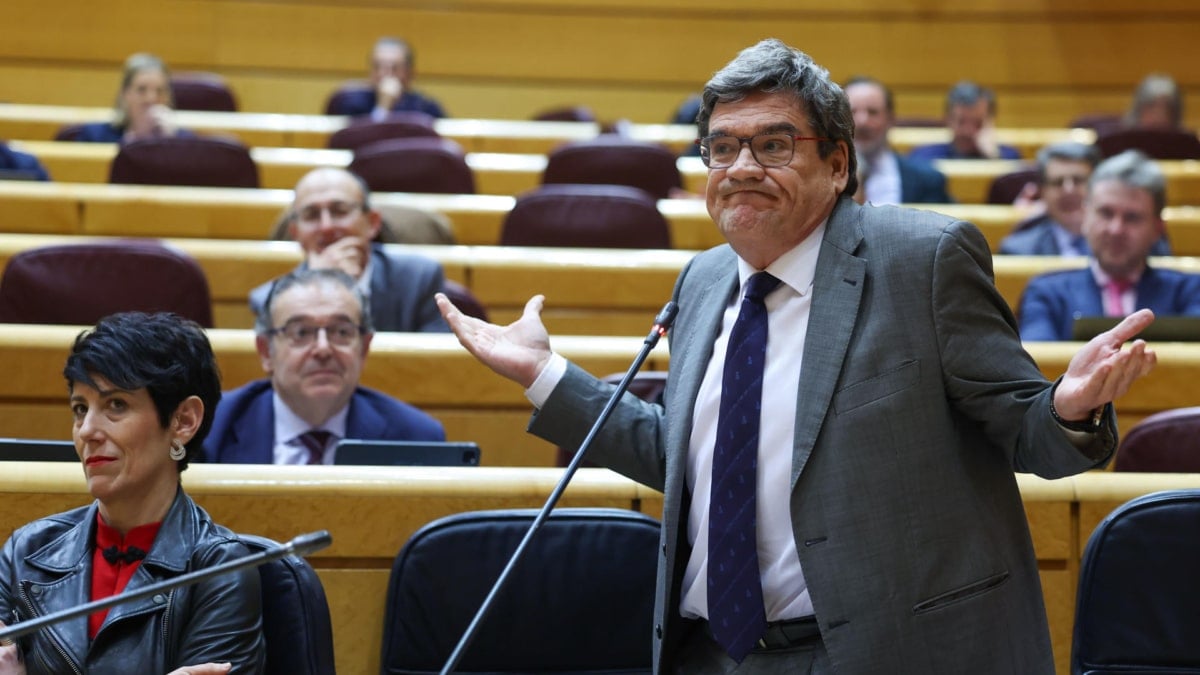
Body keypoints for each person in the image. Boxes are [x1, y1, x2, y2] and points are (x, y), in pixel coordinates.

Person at [435, 38, 1157, 674]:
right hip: (712, 652)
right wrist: (543, 374)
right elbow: (693, 458)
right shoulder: (705, 278)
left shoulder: (922, 260)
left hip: (883, 651)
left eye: (773, 145)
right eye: (723, 147)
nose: (741, 166)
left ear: (837, 164)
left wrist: (1068, 406)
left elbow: (1024, 430)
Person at [0, 312, 265, 675]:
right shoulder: (28, 552)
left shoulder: (220, 571)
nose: (87, 431)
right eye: (80, 408)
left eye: (116, 405)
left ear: (183, 421)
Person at [209, 269, 444, 464]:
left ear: (363, 349)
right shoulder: (210, 429)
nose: (323, 349)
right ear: (265, 351)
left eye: (341, 332)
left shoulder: (416, 438)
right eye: (300, 333)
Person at [1019, 150, 1200, 341]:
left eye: (1132, 217)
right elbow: (1037, 364)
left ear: (1157, 229)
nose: (1116, 229)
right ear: (1085, 216)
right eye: (1106, 213)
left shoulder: (1190, 291)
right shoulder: (1048, 293)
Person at [248, 167, 450, 333]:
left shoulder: (419, 278)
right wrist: (319, 282)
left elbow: (437, 369)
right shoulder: (268, 301)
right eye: (311, 215)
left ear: (372, 223)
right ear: (295, 233)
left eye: (339, 211)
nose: (326, 226)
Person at [843, 76, 952, 204]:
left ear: (890, 119)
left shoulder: (927, 180)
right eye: (852, 112)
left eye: (873, 112)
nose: (862, 122)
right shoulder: (819, 181)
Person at [71, 53, 192, 144]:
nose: (151, 98)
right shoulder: (94, 137)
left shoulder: (185, 141)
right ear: (125, 93)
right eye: (141, 89)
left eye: (160, 91)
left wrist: (172, 143)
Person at [326, 37, 446, 119]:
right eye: (378, 67)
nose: (385, 74)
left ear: (411, 73)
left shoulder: (425, 109)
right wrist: (383, 107)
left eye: (394, 68)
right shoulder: (349, 103)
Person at [908, 80, 1022, 162]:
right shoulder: (924, 157)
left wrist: (994, 157)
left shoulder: (1009, 157)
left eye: (978, 123)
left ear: (991, 121)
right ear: (947, 120)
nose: (968, 131)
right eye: (961, 122)